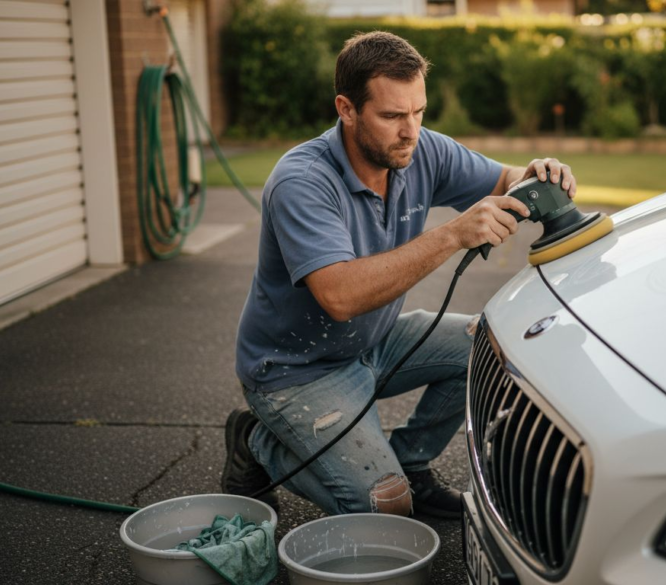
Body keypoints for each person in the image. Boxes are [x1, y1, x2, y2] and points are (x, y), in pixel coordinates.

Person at [223, 31, 578, 518]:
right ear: (347, 109)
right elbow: (340, 297)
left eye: (419, 112)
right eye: (392, 116)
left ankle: (412, 462)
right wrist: (453, 234)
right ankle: (255, 442)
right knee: (386, 508)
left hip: (375, 342)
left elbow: (503, 178)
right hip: (297, 370)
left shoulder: (420, 150)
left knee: (491, 345)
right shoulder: (303, 181)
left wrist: (534, 175)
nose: (410, 131)